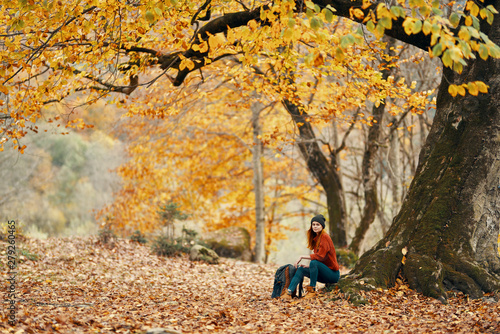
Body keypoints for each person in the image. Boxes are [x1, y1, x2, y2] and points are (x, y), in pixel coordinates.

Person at [281, 214, 340, 300]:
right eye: (313, 224)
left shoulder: (325, 237)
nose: (315, 226)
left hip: (333, 275)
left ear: (322, 226)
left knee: (314, 262)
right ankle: (289, 292)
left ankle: (312, 291)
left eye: (317, 224)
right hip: (324, 272)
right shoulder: (316, 238)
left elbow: (320, 257)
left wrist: (302, 257)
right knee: (301, 269)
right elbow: (322, 261)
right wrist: (309, 267)